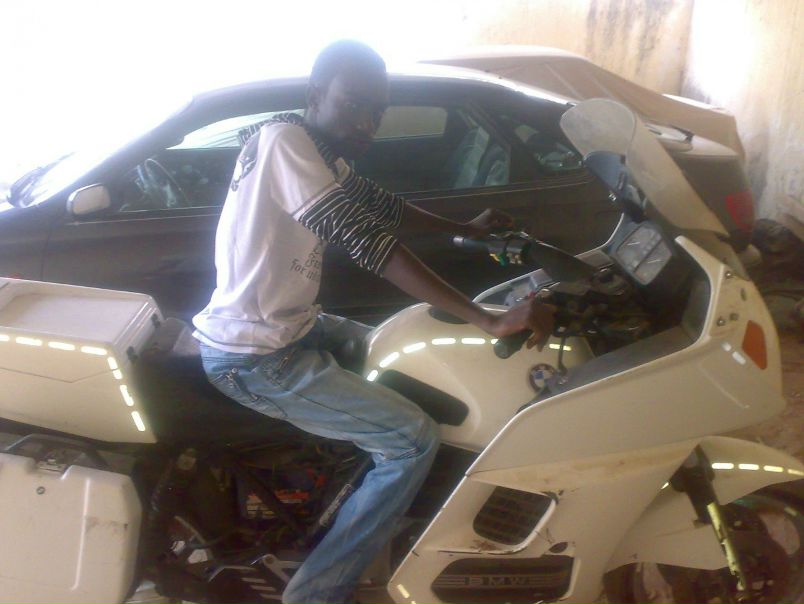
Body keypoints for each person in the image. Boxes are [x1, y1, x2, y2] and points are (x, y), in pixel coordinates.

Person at [192, 40, 555, 604]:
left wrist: (465, 228)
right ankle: (317, 593)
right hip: (256, 356)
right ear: (317, 94)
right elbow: (366, 240)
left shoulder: (311, 144)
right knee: (412, 439)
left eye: (376, 111)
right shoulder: (286, 142)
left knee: (406, 353)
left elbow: (380, 206)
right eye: (354, 105)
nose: (367, 123)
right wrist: (486, 319)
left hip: (290, 328)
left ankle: (369, 496)